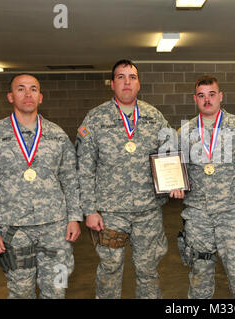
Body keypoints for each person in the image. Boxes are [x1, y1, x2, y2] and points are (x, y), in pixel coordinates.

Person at [75, 59, 182, 299]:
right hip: (110, 212)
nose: (127, 82)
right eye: (121, 77)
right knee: (110, 270)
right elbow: (84, 167)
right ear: (112, 84)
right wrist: (89, 210)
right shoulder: (95, 119)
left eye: (132, 77)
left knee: (149, 270)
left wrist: (175, 181)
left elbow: (170, 153)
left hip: (148, 211)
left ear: (139, 84)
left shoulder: (154, 117)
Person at [0, 73, 82, 298]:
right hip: (14, 229)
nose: (27, 94)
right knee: (20, 291)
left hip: (56, 229)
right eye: (21, 89)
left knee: (58, 287)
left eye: (33, 89)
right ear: (11, 96)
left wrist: (74, 217)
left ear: (41, 97)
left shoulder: (57, 135)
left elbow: (70, 178)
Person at [178, 75, 235, 299]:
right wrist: (174, 185)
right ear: (195, 99)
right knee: (199, 274)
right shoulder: (184, 133)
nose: (207, 100)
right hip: (198, 215)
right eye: (201, 96)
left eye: (212, 94)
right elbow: (174, 170)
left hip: (233, 214)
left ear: (220, 96)